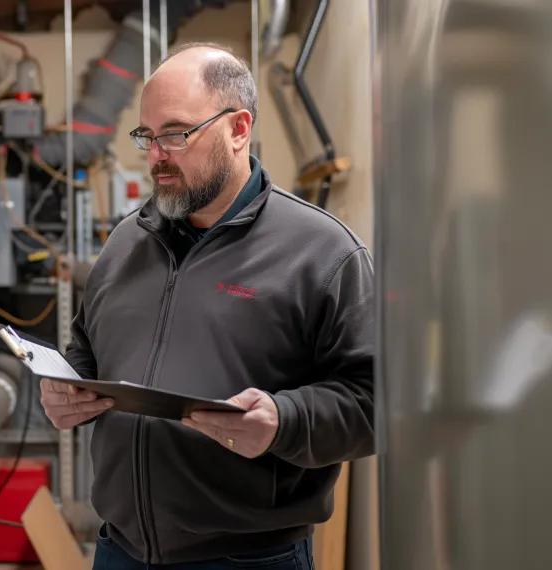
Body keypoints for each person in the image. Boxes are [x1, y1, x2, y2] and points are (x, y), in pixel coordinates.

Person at [40, 43, 375, 569]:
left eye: (175, 133)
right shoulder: (127, 240)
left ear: (239, 129)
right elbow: (85, 349)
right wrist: (64, 389)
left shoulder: (323, 253)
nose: (155, 156)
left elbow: (373, 401)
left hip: (248, 559)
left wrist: (283, 421)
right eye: (146, 136)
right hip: (119, 551)